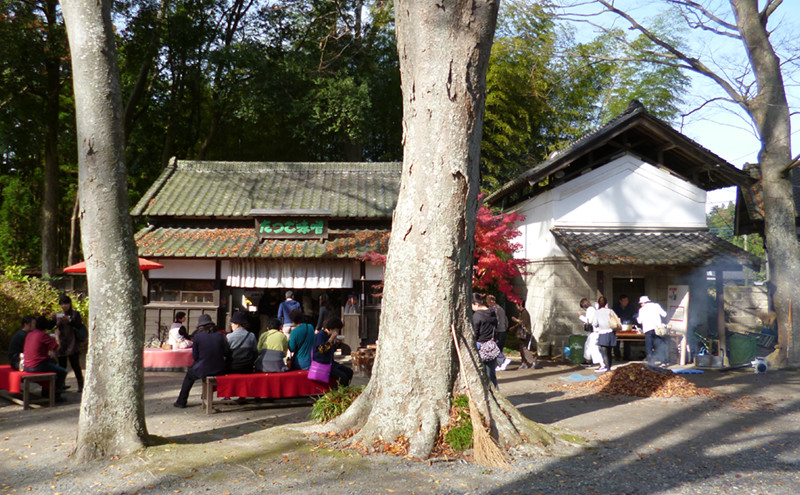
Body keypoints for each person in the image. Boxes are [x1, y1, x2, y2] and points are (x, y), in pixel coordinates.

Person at [174, 314, 230, 408]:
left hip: (204, 368)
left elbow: (195, 356)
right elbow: (226, 352)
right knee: (203, 367)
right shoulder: (220, 335)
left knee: (189, 376)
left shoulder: (198, 336)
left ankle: (181, 401)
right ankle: (206, 395)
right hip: (219, 368)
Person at [24, 316, 68, 401]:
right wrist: (57, 337)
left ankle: (46, 391)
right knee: (63, 372)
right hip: (37, 365)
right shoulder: (43, 335)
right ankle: (56, 395)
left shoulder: (30, 334)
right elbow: (57, 348)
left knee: (53, 363)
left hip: (26, 365)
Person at [54, 295, 85, 393]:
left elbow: (78, 324)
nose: (64, 306)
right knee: (61, 365)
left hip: (72, 342)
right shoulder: (59, 315)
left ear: (70, 304)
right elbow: (53, 326)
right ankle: (61, 385)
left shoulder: (75, 314)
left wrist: (69, 321)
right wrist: (52, 319)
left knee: (75, 365)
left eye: (66, 304)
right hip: (62, 343)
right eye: (62, 304)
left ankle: (81, 384)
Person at [312, 317, 354, 387]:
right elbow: (321, 350)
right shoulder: (320, 335)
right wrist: (331, 339)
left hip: (330, 362)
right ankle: (336, 390)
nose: (337, 332)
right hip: (322, 364)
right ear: (331, 329)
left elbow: (331, 350)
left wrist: (337, 343)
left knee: (349, 372)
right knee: (342, 377)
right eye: (336, 330)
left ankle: (345, 389)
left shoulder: (328, 335)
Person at [472, 293, 498, 388]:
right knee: (491, 373)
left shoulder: (477, 315)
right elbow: (496, 327)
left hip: (480, 343)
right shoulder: (492, 312)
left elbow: (475, 332)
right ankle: (495, 390)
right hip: (490, 344)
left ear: (476, 304)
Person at [637, 295, 668, 366]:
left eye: (641, 303)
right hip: (658, 329)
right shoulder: (656, 305)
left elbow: (639, 321)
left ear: (644, 302)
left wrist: (637, 317)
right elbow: (664, 314)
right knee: (660, 345)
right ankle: (664, 362)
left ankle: (651, 362)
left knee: (649, 347)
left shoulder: (641, 310)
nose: (641, 304)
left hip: (648, 330)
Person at [592, 296, 617, 373]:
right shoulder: (610, 311)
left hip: (602, 333)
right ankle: (609, 368)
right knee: (609, 352)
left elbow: (595, 324)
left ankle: (608, 368)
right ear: (606, 303)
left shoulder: (597, 312)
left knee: (604, 352)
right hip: (611, 332)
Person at [487, 295, 512, 371]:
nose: (487, 304)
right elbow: (506, 320)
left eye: (488, 302)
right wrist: (505, 328)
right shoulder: (501, 309)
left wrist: (494, 330)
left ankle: (503, 360)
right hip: (503, 330)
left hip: (497, 331)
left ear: (491, 301)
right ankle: (500, 364)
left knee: (495, 348)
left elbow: (495, 321)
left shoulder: (494, 310)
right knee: (499, 348)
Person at [509, 303, 537, 369]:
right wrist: (514, 327)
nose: (516, 307)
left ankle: (532, 360)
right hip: (524, 333)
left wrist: (515, 320)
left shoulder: (524, 313)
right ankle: (524, 363)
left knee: (524, 348)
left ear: (520, 305)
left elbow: (523, 322)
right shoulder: (521, 313)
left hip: (525, 333)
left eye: (517, 305)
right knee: (522, 348)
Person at [579, 298, 603, 368]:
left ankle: (601, 364)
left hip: (594, 331)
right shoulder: (593, 309)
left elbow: (589, 321)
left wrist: (580, 317)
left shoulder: (590, 310)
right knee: (588, 345)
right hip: (594, 331)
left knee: (593, 347)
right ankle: (588, 360)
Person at [612, 294, 636, 359]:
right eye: (624, 301)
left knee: (627, 341)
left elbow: (634, 315)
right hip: (618, 325)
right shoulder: (616, 307)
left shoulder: (631, 307)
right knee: (617, 341)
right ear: (620, 301)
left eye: (627, 300)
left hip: (628, 325)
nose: (625, 302)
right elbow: (613, 315)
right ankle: (617, 356)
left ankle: (626, 356)